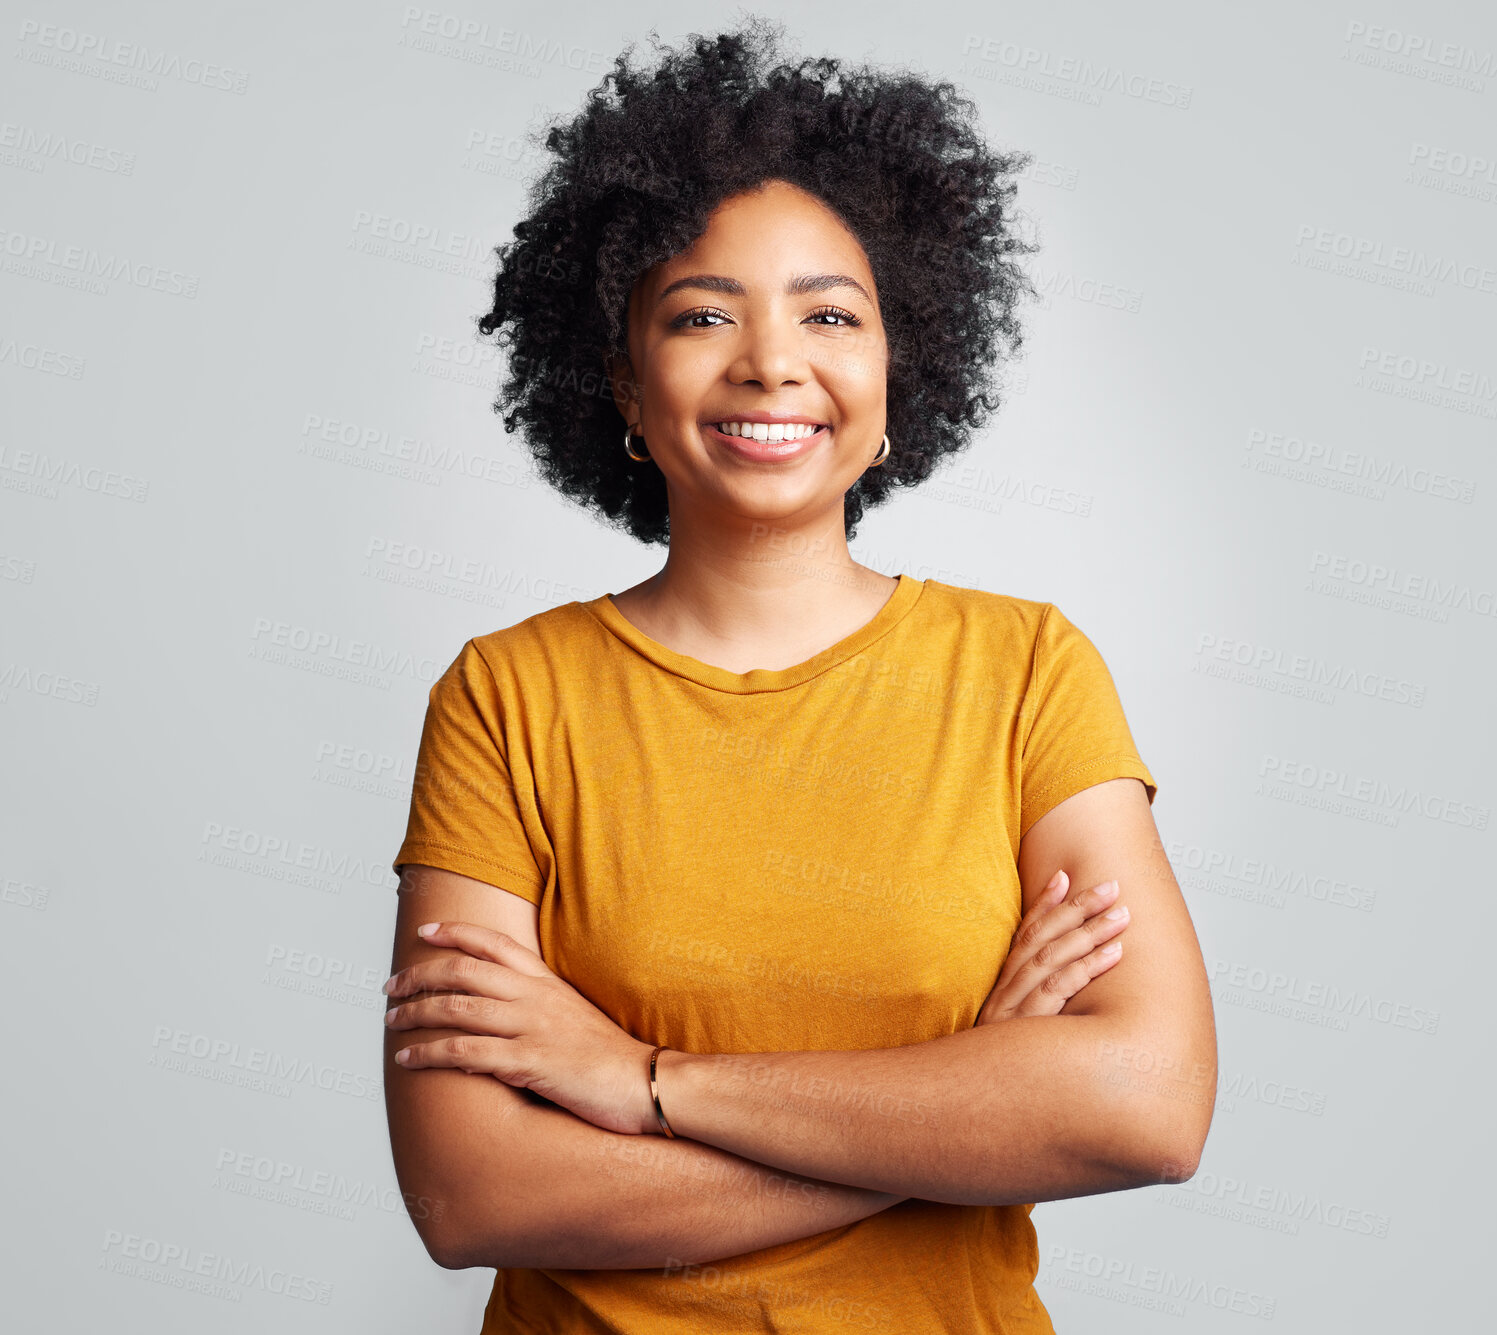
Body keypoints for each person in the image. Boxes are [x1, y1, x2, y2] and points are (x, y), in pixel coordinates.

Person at [382, 18, 1216, 1333]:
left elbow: (1146, 1107)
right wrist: (965, 1106)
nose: (772, 362)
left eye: (831, 313)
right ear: (621, 379)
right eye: (701, 314)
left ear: (895, 375)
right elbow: (470, 1192)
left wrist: (644, 1081)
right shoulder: (506, 698)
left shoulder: (1026, 675)